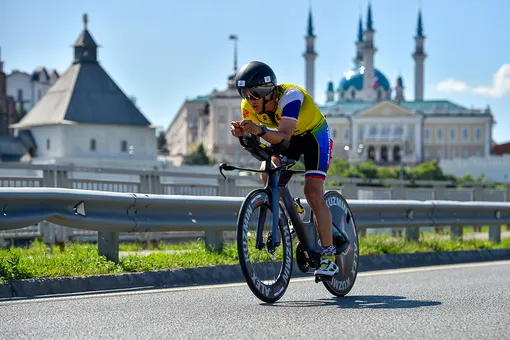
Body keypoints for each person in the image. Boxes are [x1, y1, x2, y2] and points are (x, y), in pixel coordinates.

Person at [230, 60, 350, 278]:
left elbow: (283, 135)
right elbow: (262, 143)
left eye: (255, 93)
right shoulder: (247, 108)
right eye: (245, 94)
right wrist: (244, 135)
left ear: (269, 91)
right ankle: (290, 211)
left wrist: (259, 129)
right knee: (268, 176)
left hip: (313, 136)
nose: (250, 99)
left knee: (313, 192)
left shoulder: (291, 96)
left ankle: (329, 257)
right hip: (288, 139)